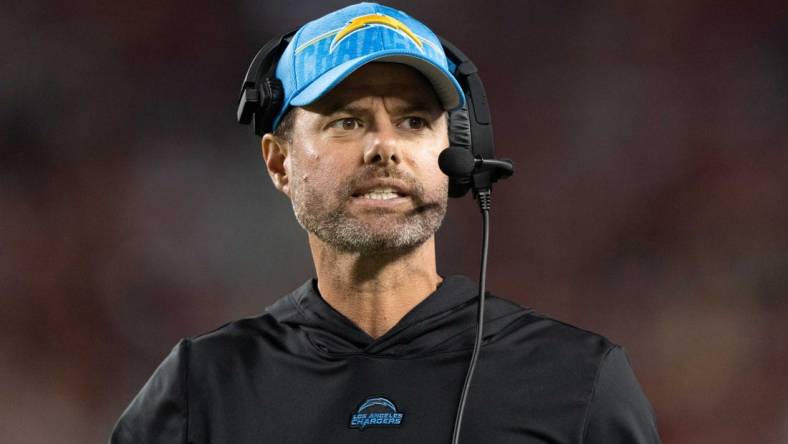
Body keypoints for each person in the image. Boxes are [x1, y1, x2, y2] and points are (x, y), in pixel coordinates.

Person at [110, 3, 661, 443]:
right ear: (280, 161)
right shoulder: (201, 388)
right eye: (348, 121)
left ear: (457, 154)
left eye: (414, 121)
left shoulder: (578, 381)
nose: (384, 148)